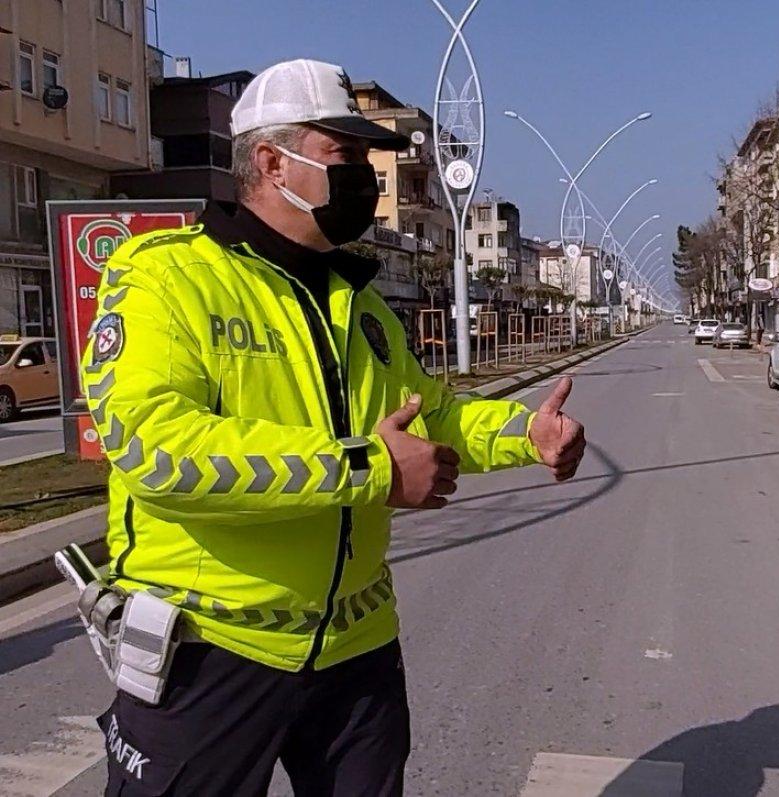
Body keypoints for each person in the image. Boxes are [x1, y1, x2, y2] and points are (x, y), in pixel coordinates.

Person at [82, 59, 586, 795]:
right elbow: (155, 449)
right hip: (210, 653)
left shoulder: (361, 304)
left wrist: (525, 434)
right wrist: (371, 469)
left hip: (357, 650)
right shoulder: (166, 277)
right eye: (344, 156)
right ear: (269, 160)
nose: (365, 178)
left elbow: (433, 416)